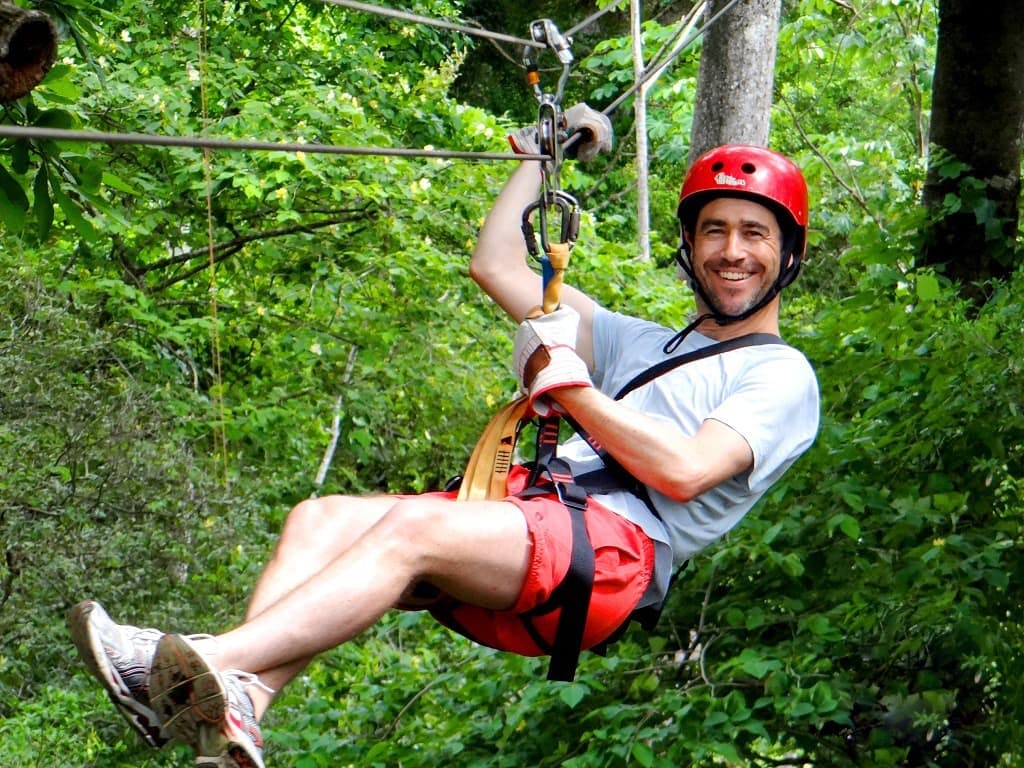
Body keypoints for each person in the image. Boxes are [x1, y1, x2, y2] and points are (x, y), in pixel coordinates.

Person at [68, 106, 820, 768]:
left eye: (754, 232)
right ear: (689, 245)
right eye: (713, 229)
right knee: (320, 519)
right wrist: (535, 161)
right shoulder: (640, 343)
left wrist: (569, 385)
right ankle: (243, 715)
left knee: (417, 527)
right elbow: (495, 265)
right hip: (538, 520)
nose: (731, 250)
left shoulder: (782, 376)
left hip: (616, 551)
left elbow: (687, 470)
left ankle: (199, 664)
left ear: (788, 254)